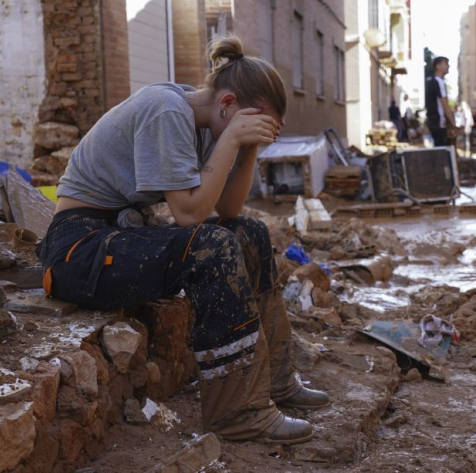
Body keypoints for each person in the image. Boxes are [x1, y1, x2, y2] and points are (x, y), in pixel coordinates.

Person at [35, 35, 329, 445]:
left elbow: (228, 209)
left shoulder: (209, 121)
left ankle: (277, 382)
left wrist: (246, 149)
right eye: (253, 121)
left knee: (249, 232)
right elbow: (189, 215)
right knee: (212, 246)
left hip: (121, 235)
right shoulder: (166, 111)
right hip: (78, 249)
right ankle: (237, 413)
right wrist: (231, 139)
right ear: (227, 105)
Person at [425, 56, 456, 147]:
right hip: (439, 122)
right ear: (438, 66)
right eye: (445, 64)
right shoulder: (439, 82)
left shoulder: (432, 82)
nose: (448, 66)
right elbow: (445, 104)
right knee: (442, 150)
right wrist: (453, 123)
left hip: (433, 121)